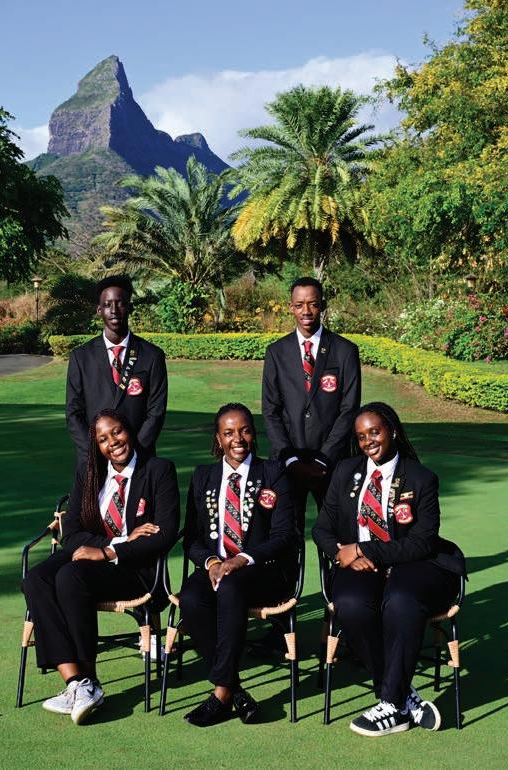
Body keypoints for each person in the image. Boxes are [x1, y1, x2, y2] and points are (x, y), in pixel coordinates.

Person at [312, 402, 466, 737]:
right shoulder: (345, 471)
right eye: (361, 436)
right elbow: (321, 529)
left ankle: (391, 702)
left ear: (392, 431)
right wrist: (341, 553)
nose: (368, 441)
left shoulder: (422, 478)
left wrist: (363, 548)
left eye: (375, 432)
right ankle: (402, 696)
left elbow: (421, 543)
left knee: (401, 601)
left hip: (412, 565)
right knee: (351, 604)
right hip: (360, 567)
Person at [22, 409, 178, 724]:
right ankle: (77, 682)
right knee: (36, 578)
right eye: (103, 439)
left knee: (71, 576)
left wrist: (110, 552)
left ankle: (88, 678)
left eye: (117, 432)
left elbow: (165, 533)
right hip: (97, 555)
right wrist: (112, 543)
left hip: (135, 569)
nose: (113, 442)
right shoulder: (89, 473)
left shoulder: (158, 470)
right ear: (97, 446)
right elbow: (71, 534)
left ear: (129, 431)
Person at [177, 403, 296, 727]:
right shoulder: (202, 476)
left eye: (244, 430)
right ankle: (234, 690)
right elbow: (191, 538)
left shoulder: (273, 472)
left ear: (253, 434)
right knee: (191, 598)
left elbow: (284, 534)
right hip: (215, 568)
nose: (237, 439)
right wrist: (212, 562)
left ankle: (220, 695)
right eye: (229, 433)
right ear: (218, 438)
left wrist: (241, 559)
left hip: (261, 570)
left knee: (230, 586)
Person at [261, 276, 361, 535]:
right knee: (285, 536)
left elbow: (349, 409)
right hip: (288, 463)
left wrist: (324, 458)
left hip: (332, 463)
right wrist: (290, 458)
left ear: (323, 305)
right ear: (291, 307)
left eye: (313, 304)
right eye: (299, 305)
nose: (306, 311)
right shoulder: (276, 352)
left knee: (338, 535)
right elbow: (270, 411)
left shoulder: (345, 350)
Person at [66, 275, 168, 463]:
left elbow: (156, 412)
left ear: (130, 307)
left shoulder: (152, 356)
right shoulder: (81, 357)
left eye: (120, 303)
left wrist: (131, 452)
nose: (114, 310)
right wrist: (97, 451)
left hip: (139, 460)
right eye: (107, 305)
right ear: (99, 310)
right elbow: (74, 414)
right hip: (93, 462)